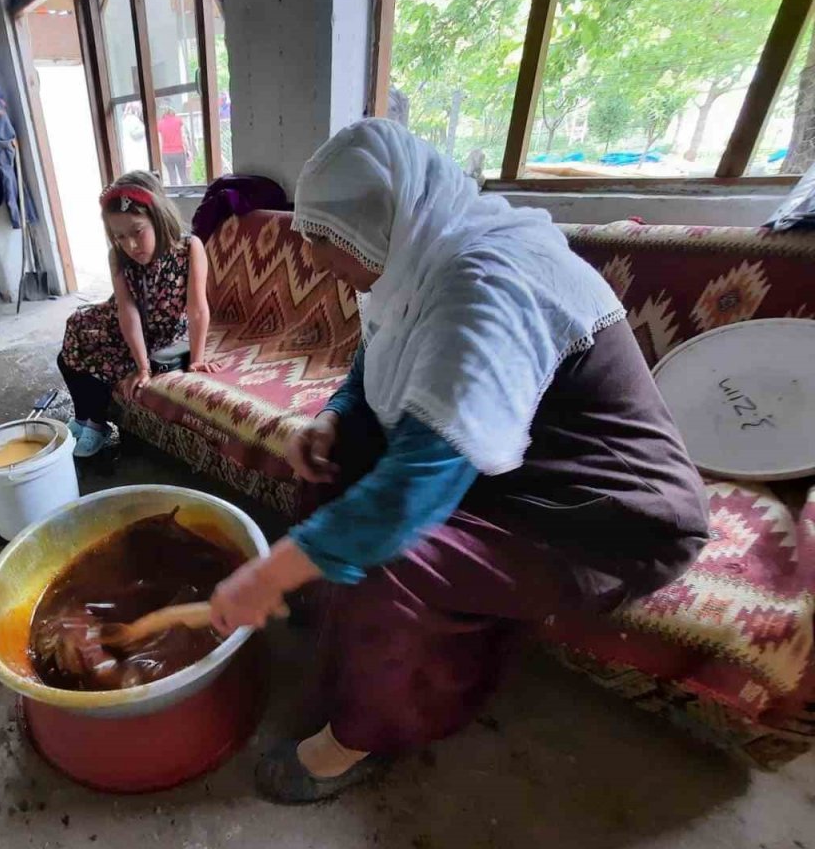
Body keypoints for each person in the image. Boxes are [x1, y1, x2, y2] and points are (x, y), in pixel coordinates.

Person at [207, 120, 709, 803]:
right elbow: (376, 356)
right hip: (517, 469)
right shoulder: (418, 251)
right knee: (336, 457)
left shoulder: (486, 284)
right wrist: (335, 416)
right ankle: (328, 605)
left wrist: (267, 572)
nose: (315, 259)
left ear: (379, 222)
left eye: (325, 239)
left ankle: (360, 737)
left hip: (602, 518)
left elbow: (408, 495)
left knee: (390, 559)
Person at [58, 171, 222, 457]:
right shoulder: (118, 256)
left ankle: (96, 422)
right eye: (120, 236)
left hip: (162, 331)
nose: (131, 245)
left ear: (158, 218)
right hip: (127, 324)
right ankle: (83, 417)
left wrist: (196, 359)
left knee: (100, 359)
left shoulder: (189, 248)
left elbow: (197, 309)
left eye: (137, 231)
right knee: (73, 337)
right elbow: (127, 310)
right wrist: (143, 366)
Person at [157, 107, 190, 186]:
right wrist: (187, 149)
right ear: (173, 113)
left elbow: (159, 140)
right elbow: (183, 136)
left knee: (172, 176)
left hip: (166, 154)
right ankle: (186, 191)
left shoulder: (160, 123)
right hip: (179, 152)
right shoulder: (178, 121)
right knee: (183, 175)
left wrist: (160, 153)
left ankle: (174, 191)